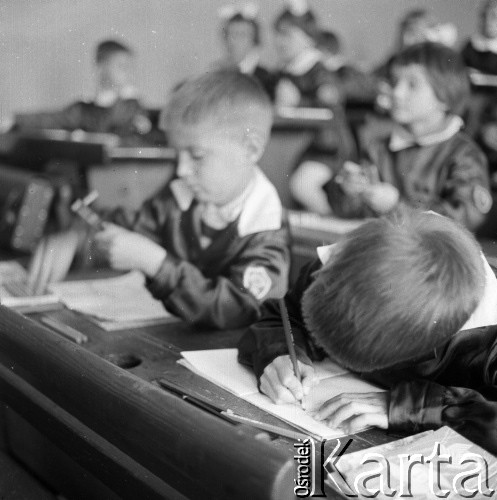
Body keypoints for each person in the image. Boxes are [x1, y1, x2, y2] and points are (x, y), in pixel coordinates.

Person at [238, 210, 497, 454]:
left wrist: (412, 407)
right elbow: (285, 314)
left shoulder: (487, 346)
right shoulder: (341, 265)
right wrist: (280, 350)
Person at [92, 70, 290, 330]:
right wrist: (84, 230)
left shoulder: (266, 228)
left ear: (250, 149)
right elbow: (134, 224)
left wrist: (156, 264)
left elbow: (236, 308)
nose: (182, 170)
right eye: (178, 155)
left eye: (196, 155)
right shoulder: (179, 197)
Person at [292, 42, 492, 231]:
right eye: (395, 82)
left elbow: (465, 218)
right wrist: (349, 191)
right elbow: (352, 213)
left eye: (412, 85)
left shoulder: (464, 155)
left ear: (445, 97)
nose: (396, 93)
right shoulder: (378, 148)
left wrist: (397, 205)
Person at [14, 40, 160, 145]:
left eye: (129, 67)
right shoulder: (84, 108)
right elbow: (53, 119)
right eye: (121, 67)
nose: (128, 73)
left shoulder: (133, 106)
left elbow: (139, 134)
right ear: (100, 67)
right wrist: (15, 119)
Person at [215, 4, 276, 99]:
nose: (234, 41)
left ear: (254, 40)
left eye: (242, 35)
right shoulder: (217, 72)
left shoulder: (266, 78)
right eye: (231, 35)